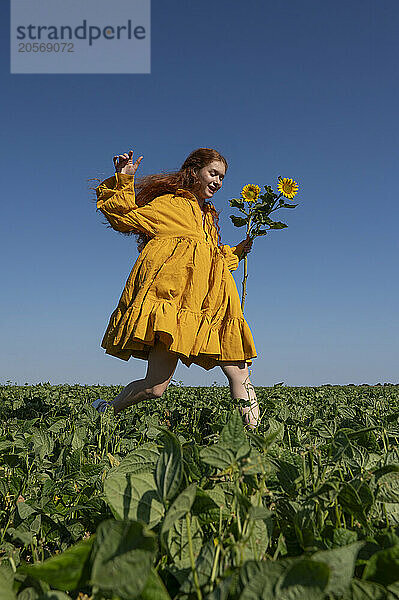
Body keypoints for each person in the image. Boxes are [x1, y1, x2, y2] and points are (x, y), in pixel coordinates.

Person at [92, 147, 259, 428]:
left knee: (240, 374)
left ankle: (257, 439)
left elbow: (210, 258)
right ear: (194, 172)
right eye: (213, 174)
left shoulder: (208, 217)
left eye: (222, 178)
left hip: (213, 309)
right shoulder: (170, 205)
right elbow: (123, 217)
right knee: (155, 388)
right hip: (175, 310)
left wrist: (238, 252)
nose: (218, 182)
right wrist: (123, 179)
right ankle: (107, 409)